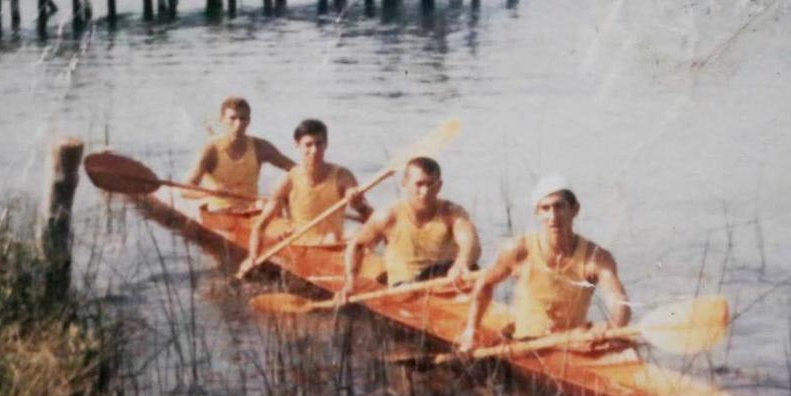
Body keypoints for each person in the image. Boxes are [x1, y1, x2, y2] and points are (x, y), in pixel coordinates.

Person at [457, 175, 630, 352]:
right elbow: (485, 283)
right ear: (537, 213)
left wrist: (614, 327)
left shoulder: (597, 258)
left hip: (573, 343)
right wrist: (471, 331)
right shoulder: (519, 249)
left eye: (559, 206)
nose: (552, 216)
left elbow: (619, 301)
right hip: (526, 344)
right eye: (545, 208)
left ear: (575, 209)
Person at [340, 156, 481, 298]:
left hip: (442, 284)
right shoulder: (388, 215)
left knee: (474, 278)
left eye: (430, 184)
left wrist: (461, 264)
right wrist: (350, 283)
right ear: (405, 184)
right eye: (419, 184)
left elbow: (472, 244)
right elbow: (357, 245)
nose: (425, 192)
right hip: (403, 290)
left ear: (439, 186)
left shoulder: (452, 213)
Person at [243, 119, 373, 268]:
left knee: (359, 232)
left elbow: (371, 219)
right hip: (300, 247)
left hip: (332, 244)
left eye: (319, 144)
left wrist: (359, 205)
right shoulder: (288, 181)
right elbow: (260, 226)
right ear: (297, 145)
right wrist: (253, 257)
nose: (315, 150)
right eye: (308, 145)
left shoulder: (343, 176)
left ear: (326, 144)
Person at [185, 97, 294, 211]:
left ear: (249, 120)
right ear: (222, 119)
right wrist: (211, 193)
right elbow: (186, 190)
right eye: (232, 118)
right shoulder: (211, 150)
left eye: (243, 118)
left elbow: (296, 170)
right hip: (219, 211)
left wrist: (283, 193)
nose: (238, 124)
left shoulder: (260, 147)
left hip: (251, 209)